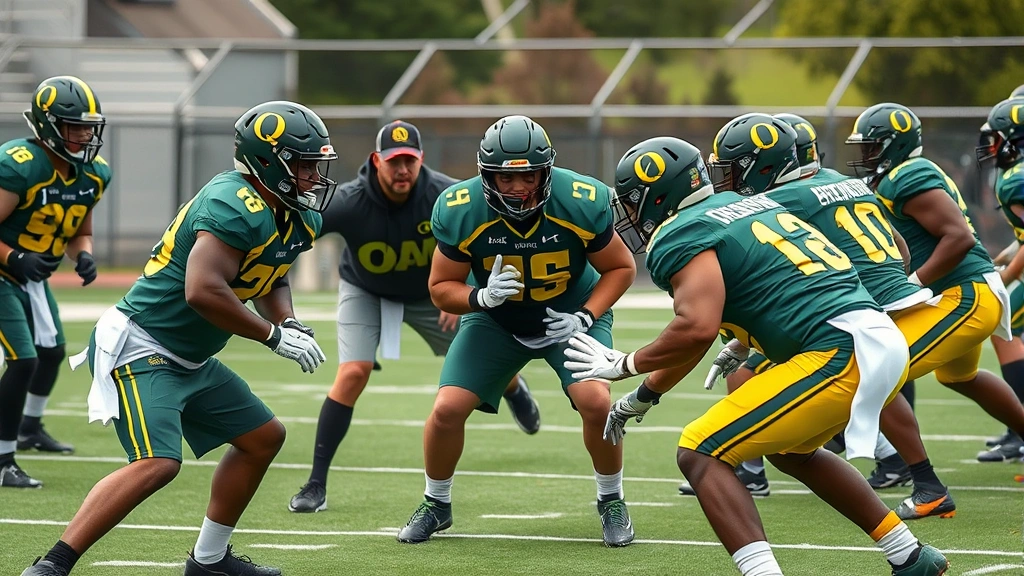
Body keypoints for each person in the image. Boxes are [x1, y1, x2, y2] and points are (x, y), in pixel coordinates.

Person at [564, 135, 948, 575]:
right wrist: (643, 395)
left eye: (632, 203)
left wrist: (624, 363)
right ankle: (911, 556)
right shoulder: (752, 206)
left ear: (653, 196)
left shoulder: (681, 230)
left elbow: (694, 328)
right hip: (873, 335)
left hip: (836, 349)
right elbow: (733, 313)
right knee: (789, 450)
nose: (630, 215)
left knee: (699, 451)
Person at [20, 100, 335, 576]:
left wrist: (286, 320)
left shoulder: (293, 211)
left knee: (262, 437)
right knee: (158, 463)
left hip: (190, 355)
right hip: (145, 344)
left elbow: (272, 274)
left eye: (317, 165)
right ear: (269, 162)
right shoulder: (234, 202)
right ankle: (52, 564)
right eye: (305, 165)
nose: (314, 176)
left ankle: (208, 562)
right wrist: (272, 336)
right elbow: (202, 291)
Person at [396, 115, 637, 546]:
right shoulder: (461, 209)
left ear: (546, 171)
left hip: (569, 313)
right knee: (448, 408)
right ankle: (436, 503)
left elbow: (621, 268)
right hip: (496, 319)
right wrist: (480, 298)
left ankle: (611, 500)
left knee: (596, 402)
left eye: (527, 174)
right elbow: (440, 288)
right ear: (486, 175)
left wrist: (585, 315)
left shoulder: (580, 199)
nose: (517, 188)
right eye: (505, 178)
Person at [289, 120, 540, 513]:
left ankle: (514, 388)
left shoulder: (445, 194)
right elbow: (296, 236)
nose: (403, 170)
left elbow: (484, 241)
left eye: (410, 160)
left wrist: (465, 294)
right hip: (366, 289)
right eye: (394, 161)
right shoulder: (351, 201)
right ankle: (315, 483)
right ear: (376, 161)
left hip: (433, 295)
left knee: (484, 362)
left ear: (421, 160)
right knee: (351, 373)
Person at [846, 103, 1024, 505]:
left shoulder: (908, 174)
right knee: (959, 377)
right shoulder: (902, 175)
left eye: (872, 147)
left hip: (964, 295)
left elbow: (958, 237)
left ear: (895, 146)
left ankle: (928, 486)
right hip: (962, 293)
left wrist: (912, 283)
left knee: (874, 368)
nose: (866, 155)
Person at [0, 76, 109, 489]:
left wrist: (83, 254)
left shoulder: (93, 174)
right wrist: (15, 256)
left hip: (31, 274)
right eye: (74, 125)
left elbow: (79, 229)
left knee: (52, 352)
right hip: (4, 271)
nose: (84, 134)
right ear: (47, 125)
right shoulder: (18, 164)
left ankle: (29, 428)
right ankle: (2, 457)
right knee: (23, 359)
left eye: (88, 126)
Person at [975, 95, 1024, 461]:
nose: (992, 147)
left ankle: (1018, 429)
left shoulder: (1015, 179)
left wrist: (1005, 277)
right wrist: (1003, 258)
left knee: (1005, 328)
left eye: (998, 138)